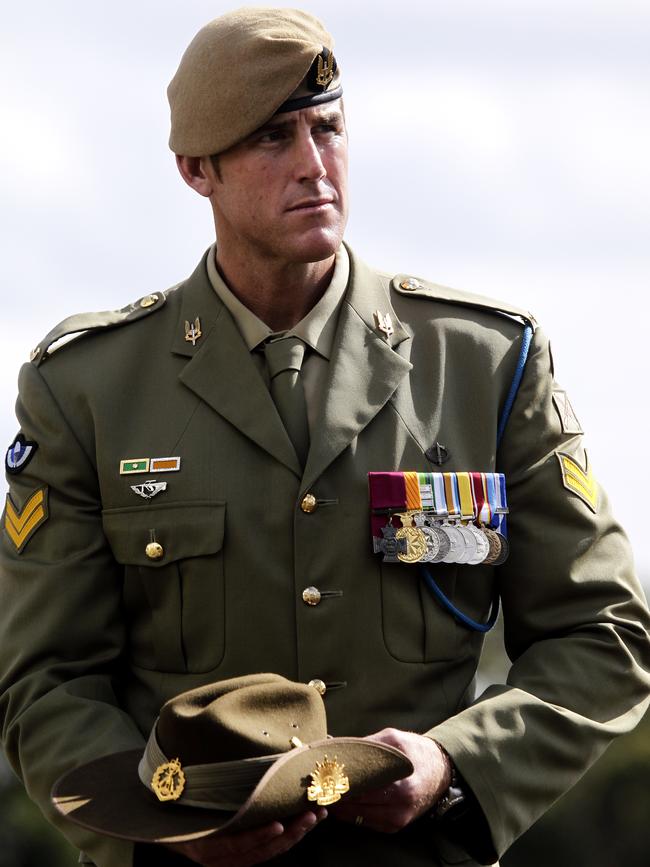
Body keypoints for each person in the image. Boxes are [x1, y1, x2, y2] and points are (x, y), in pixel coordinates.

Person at [1, 7, 649, 867]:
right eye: (272, 139)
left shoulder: (485, 362)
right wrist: (165, 830)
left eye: (328, 127)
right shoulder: (87, 387)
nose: (315, 167)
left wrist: (457, 762)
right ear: (198, 169)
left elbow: (602, 632)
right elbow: (42, 681)